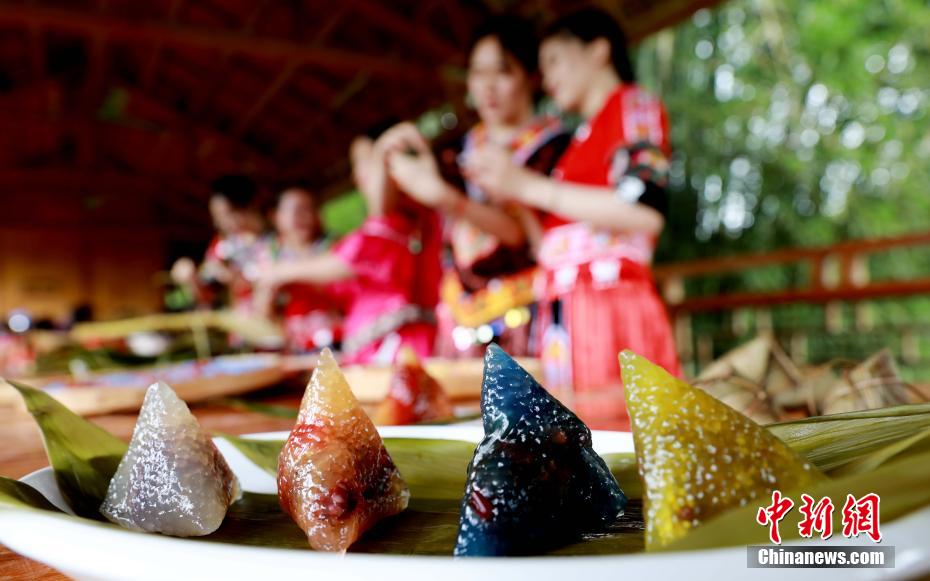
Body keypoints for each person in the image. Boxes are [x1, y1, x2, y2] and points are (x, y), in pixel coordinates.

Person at [463, 8, 682, 428]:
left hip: (609, 301)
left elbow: (644, 209)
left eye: (554, 61)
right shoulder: (577, 144)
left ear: (599, 51)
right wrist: (510, 191)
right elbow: (546, 244)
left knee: (628, 439)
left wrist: (528, 186)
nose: (546, 79)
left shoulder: (634, 105)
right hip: (565, 311)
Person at [385, 15, 570, 358]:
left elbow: (527, 235)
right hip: (459, 314)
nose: (487, 85)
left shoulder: (558, 147)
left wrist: (448, 199)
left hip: (527, 311)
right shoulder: (455, 151)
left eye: (502, 71)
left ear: (531, 76)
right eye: (477, 72)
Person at [253, 132, 441, 364]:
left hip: (396, 350)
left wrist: (279, 272)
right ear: (275, 217)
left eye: (363, 162)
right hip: (371, 351)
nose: (356, 175)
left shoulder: (395, 223)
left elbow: (348, 260)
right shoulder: (384, 226)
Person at [253, 186, 342, 353]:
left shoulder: (334, 246)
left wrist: (284, 273)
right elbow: (263, 312)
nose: (304, 216)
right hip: (295, 346)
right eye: (296, 210)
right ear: (275, 216)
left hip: (340, 338)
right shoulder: (270, 254)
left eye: (309, 209)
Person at [171, 175, 266, 315]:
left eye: (224, 214)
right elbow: (206, 297)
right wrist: (191, 280)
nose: (218, 223)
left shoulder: (277, 240)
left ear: (250, 207)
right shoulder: (222, 245)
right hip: (241, 329)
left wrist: (237, 280)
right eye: (216, 217)